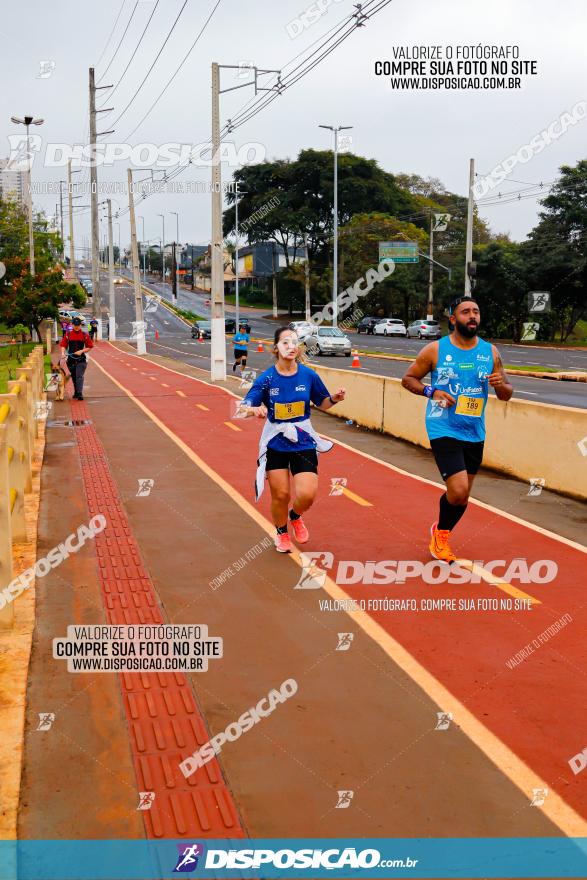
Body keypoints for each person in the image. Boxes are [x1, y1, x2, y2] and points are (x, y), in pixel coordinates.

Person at [401, 296, 513, 563]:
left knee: (460, 497)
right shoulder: (435, 350)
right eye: (465, 312)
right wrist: (432, 391)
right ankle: (441, 538)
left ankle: (440, 531)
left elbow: (507, 393)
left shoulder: (491, 352)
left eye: (476, 311)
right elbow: (408, 379)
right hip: (443, 426)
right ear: (453, 319)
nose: (472, 316)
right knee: (459, 490)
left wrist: (500, 385)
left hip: (474, 430)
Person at [238, 326, 346, 552]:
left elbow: (323, 402)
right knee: (281, 494)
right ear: (275, 348)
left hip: (303, 438)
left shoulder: (308, 375)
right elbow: (242, 408)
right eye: (285, 342)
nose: (291, 346)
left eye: (294, 342)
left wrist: (334, 399)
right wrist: (253, 410)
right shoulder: (266, 379)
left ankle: (295, 516)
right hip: (276, 440)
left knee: (307, 494)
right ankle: (281, 533)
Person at [59, 316, 93, 400]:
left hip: (81, 359)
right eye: (75, 324)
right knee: (74, 376)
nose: (77, 326)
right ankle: (76, 392)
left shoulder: (84, 335)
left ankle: (80, 393)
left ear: (81, 325)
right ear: (72, 324)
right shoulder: (68, 334)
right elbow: (63, 345)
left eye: (78, 325)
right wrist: (63, 353)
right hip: (70, 360)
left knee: (79, 376)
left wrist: (81, 351)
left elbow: (90, 346)